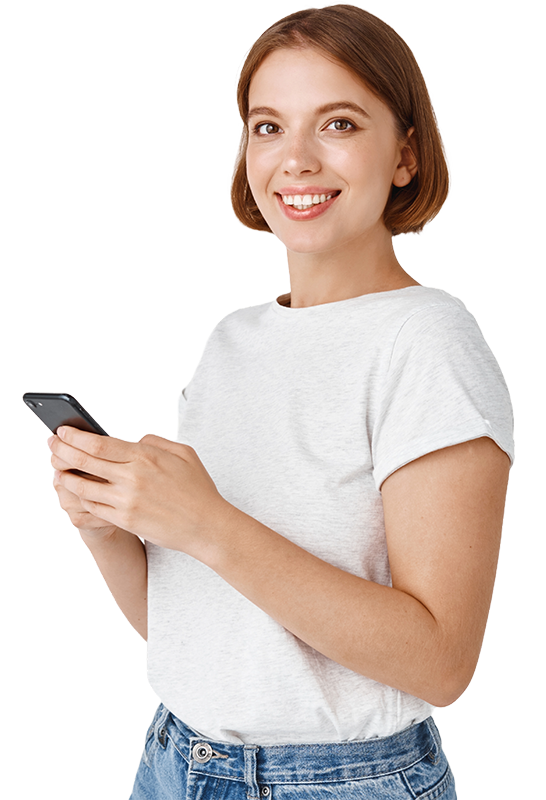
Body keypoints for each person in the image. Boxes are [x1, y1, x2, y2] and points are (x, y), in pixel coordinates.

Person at [48, 5, 514, 799]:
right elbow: (200, 639)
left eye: (338, 123)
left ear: (405, 154)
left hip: (337, 783)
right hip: (175, 758)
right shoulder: (234, 340)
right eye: (268, 127)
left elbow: (440, 663)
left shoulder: (426, 342)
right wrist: (109, 529)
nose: (295, 160)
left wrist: (206, 523)